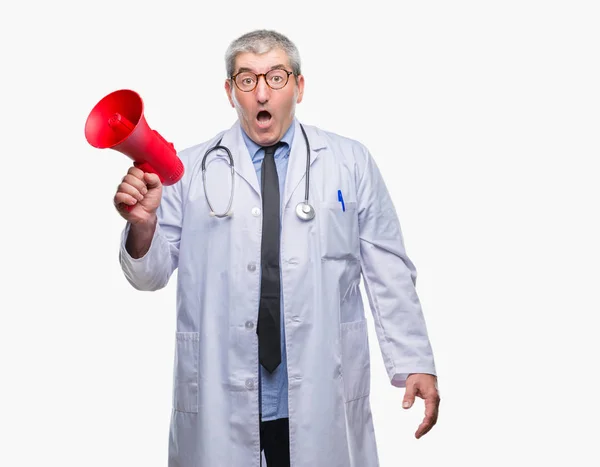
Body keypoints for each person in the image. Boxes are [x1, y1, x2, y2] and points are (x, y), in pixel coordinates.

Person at [115, 29, 440, 467]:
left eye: (276, 77)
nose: (262, 92)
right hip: (220, 391)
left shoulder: (349, 161)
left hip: (320, 387)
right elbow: (148, 275)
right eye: (247, 80)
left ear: (299, 87)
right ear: (230, 92)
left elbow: (389, 270)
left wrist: (414, 361)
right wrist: (143, 224)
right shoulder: (186, 170)